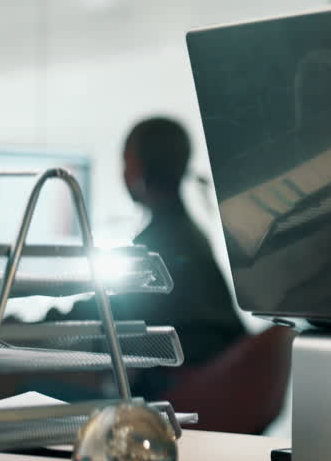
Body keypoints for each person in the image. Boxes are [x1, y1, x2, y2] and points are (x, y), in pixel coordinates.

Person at [63, 117, 247, 398]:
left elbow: (109, 311)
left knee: (32, 390)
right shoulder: (188, 233)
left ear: (137, 166)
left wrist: (35, 327)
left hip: (180, 390)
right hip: (220, 387)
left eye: (126, 161)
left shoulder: (160, 242)